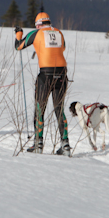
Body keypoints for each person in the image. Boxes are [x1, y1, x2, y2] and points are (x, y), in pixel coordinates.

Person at [15, 12, 71, 154]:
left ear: (38, 25)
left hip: (45, 75)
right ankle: (65, 146)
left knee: (40, 110)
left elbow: (18, 47)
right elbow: (62, 48)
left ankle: (38, 145)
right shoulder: (58, 32)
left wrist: (19, 34)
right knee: (59, 110)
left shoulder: (36, 33)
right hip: (61, 75)